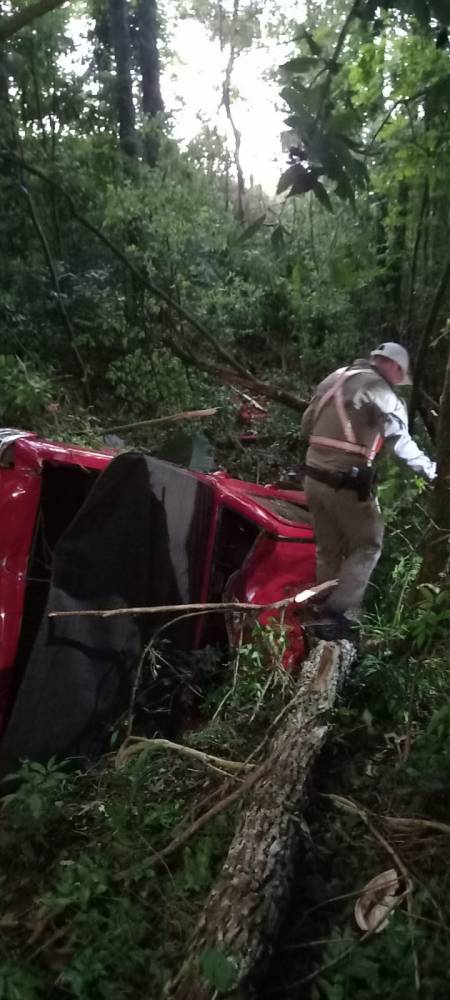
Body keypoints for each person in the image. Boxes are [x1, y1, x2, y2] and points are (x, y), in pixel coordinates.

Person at [301, 342, 436, 639]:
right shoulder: (381, 391)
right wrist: (433, 472)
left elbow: (306, 424)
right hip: (344, 483)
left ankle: (320, 608)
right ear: (396, 367)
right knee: (368, 543)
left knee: (328, 548)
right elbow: (400, 443)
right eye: (400, 374)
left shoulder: (334, 378)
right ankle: (339, 616)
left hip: (312, 479)